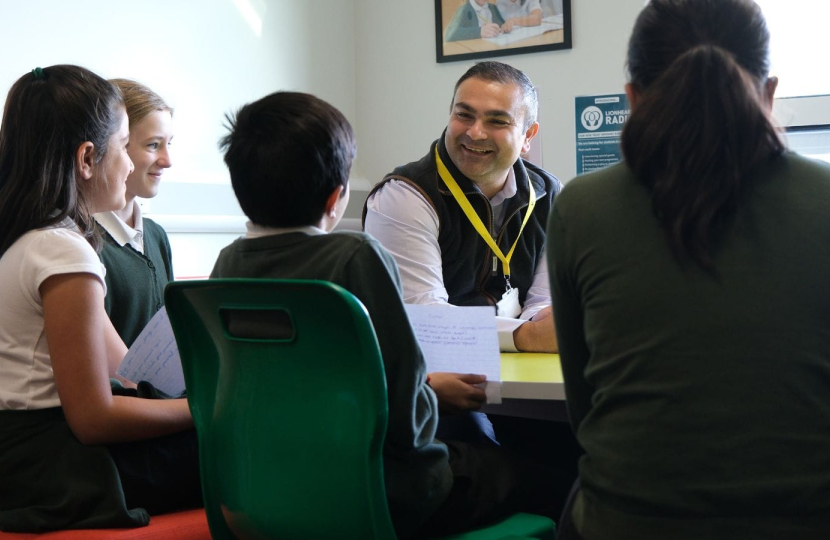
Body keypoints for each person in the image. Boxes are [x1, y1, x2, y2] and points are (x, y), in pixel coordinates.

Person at [211, 90, 561, 539]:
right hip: (386, 488)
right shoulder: (355, 256)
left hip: (262, 486)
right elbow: (404, 409)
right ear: (337, 198)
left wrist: (427, 387)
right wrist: (434, 393)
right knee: (557, 479)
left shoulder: (227, 264)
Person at [547, 1, 830, 539]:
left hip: (628, 524)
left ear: (630, 99)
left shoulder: (582, 207)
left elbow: (586, 415)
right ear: (769, 92)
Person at [0, 65, 200, 533]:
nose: (131, 166)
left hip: (21, 456)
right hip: (56, 468)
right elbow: (94, 418)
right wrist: (208, 410)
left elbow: (127, 374)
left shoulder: (31, 235)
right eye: (125, 146)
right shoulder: (62, 249)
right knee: (245, 447)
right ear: (88, 157)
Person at [364, 60, 560, 355]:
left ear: (528, 136)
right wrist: (523, 336)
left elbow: (544, 308)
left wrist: (538, 329)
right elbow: (424, 319)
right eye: (464, 115)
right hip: (435, 380)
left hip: (523, 372)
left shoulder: (551, 195)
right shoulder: (405, 196)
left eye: (497, 121)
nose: (475, 132)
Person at [94, 79, 174, 346]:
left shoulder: (156, 236)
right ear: (117, 144)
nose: (167, 160)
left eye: (168, 144)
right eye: (153, 145)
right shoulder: (82, 240)